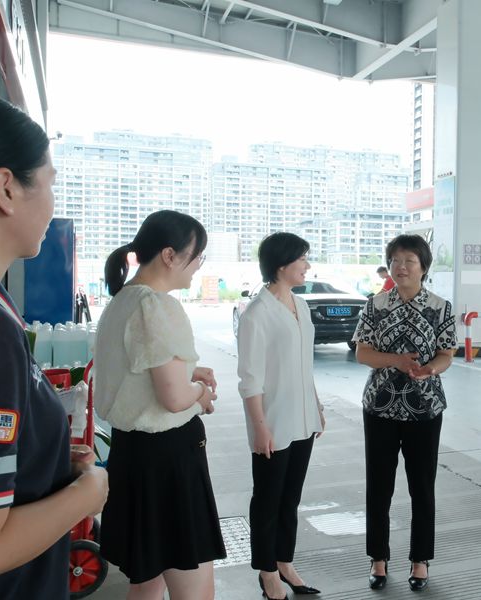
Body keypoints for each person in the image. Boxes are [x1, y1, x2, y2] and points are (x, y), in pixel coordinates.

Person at [0, 93, 108, 598]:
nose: (53, 200)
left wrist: (47, 464)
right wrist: (85, 493)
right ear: (6, 189)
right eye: (49, 182)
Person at [94, 210, 226, 599]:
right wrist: (199, 394)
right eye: (197, 255)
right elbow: (174, 399)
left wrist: (186, 371)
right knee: (195, 591)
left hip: (132, 456)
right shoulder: (158, 305)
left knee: (147, 583)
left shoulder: (122, 300)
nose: (198, 264)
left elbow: (134, 370)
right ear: (170, 255)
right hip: (169, 463)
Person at [353, 234, 456, 592]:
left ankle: (420, 560)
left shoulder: (441, 307)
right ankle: (378, 558)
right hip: (380, 407)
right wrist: (395, 361)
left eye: (409, 261)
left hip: (425, 408)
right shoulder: (375, 305)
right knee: (378, 486)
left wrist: (431, 369)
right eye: (395, 260)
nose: (401, 267)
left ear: (423, 267)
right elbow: (362, 353)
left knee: (422, 487)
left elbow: (446, 354)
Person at [237, 232, 325, 600]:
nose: (307, 266)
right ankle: (267, 571)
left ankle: (285, 561)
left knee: (290, 498)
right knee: (268, 499)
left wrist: (316, 405)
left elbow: (304, 364)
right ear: (282, 264)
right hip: (272, 422)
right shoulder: (256, 314)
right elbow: (249, 379)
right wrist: (259, 428)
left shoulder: (300, 306)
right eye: (302, 259)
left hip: (303, 419)